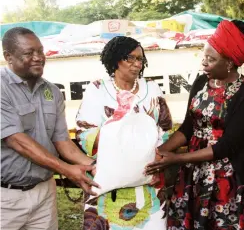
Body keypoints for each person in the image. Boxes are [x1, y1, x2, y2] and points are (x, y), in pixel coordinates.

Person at [145, 20, 244, 230]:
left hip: (230, 178)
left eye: (211, 59)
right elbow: (189, 127)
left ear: (230, 62)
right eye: (204, 56)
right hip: (196, 174)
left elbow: (227, 146)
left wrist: (178, 158)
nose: (203, 63)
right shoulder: (200, 83)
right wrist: (159, 152)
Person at [1, 27, 99, 230]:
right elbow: (17, 141)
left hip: (44, 192)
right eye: (29, 53)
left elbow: (63, 142)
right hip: (5, 198)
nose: (38, 58)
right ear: (8, 56)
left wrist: (95, 166)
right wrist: (67, 170)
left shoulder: (52, 92)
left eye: (41, 51)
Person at [76, 36, 173, 230]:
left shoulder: (152, 89)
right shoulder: (97, 90)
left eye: (140, 59)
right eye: (130, 58)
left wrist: (157, 153)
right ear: (115, 59)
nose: (137, 64)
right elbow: (85, 134)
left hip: (148, 184)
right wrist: (123, 129)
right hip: (108, 186)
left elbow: (164, 129)